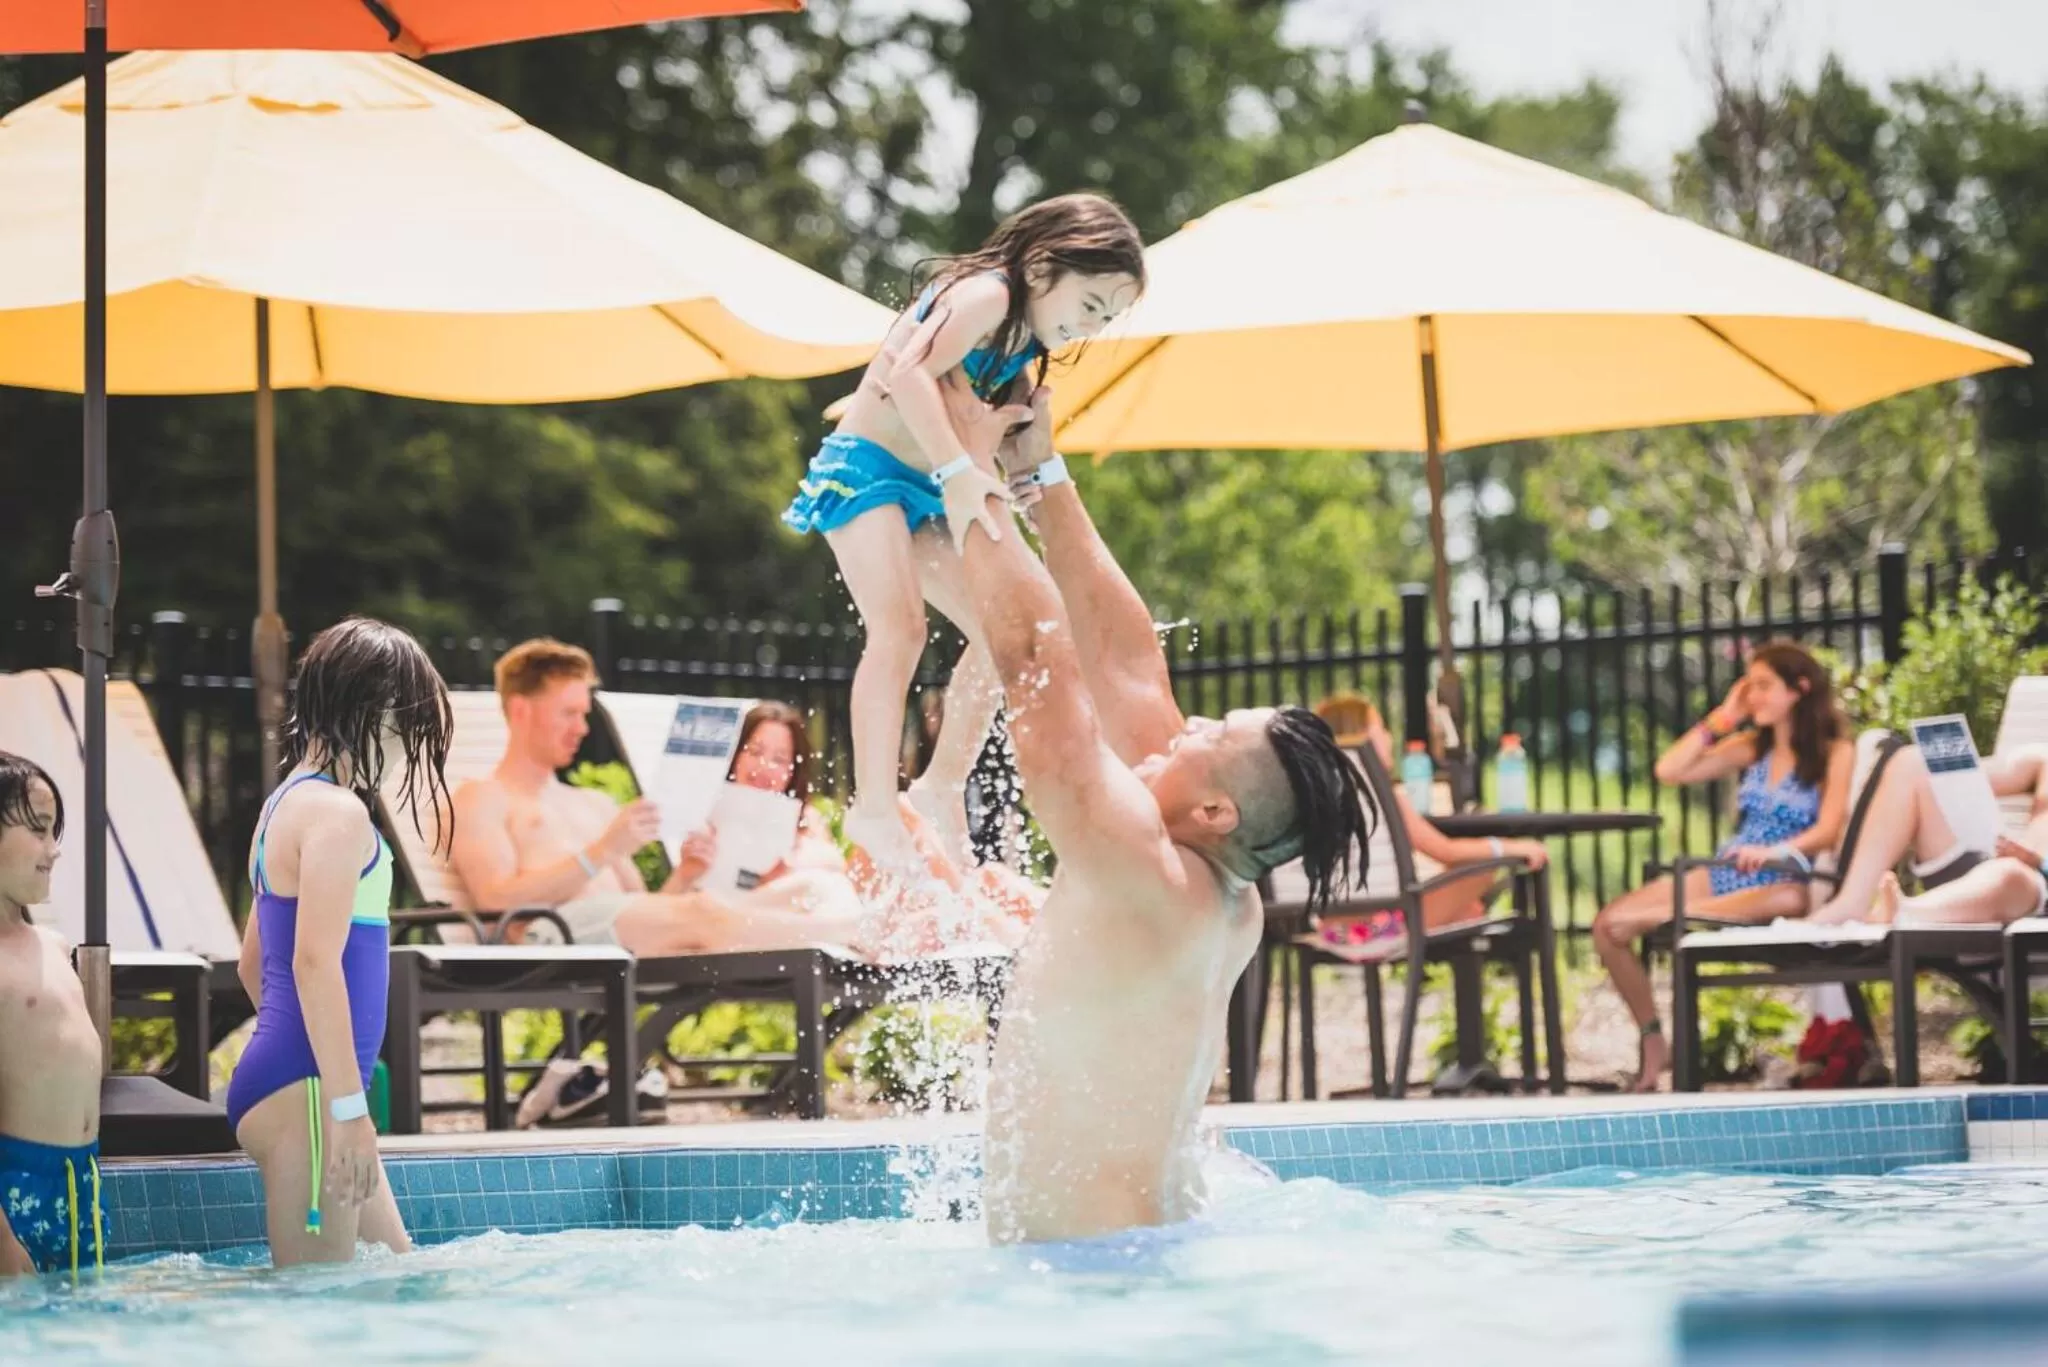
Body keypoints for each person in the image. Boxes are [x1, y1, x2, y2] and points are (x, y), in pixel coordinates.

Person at [918, 359, 1372, 1245]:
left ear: (1216, 813)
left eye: (1206, 734)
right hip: (1151, 1247)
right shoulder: (1216, 893)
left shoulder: (1144, 866)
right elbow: (1129, 667)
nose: (1186, 724)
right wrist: (1043, 472)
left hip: (1086, 1280)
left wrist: (962, 464)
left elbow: (1034, 659)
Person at [782, 192, 1146, 869]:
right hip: (863, 470)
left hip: (925, 485)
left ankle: (941, 784)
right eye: (1091, 305)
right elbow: (905, 370)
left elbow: (998, 443)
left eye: (1108, 317)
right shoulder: (985, 296)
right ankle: (872, 810)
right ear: (1042, 268)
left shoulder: (1023, 343)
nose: (1091, 327)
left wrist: (1021, 450)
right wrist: (955, 468)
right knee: (901, 628)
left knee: (1007, 633)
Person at [224, 618, 451, 1266]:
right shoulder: (338, 812)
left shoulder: (283, 806)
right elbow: (314, 961)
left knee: (402, 1281)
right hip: (316, 1096)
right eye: (410, 725)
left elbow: (254, 962)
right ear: (372, 709)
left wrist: (317, 1069)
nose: (410, 746)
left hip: (309, 1085)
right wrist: (343, 1103)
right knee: (318, 1312)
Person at [449, 641, 867, 957]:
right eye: (568, 713)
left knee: (813, 886)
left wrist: (685, 873)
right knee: (703, 911)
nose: (582, 728)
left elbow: (651, 908)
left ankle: (860, 932)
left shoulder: (593, 805)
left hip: (625, 937)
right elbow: (494, 902)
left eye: (584, 714)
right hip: (556, 938)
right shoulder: (483, 797)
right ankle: (860, 933)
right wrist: (601, 852)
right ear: (521, 711)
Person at [1591, 641, 1856, 1091]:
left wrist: (1777, 852)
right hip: (1729, 868)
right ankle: (1654, 1039)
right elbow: (1670, 770)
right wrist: (1723, 718)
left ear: (1800, 689)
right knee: (1607, 926)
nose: (1754, 696)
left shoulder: (1835, 752)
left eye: (1764, 686)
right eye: (1748, 686)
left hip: (1787, 876)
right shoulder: (1753, 747)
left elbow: (1829, 829)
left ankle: (1677, 917)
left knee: (1778, 897)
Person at [1306, 692, 1547, 948]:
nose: (1389, 737)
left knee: (1469, 910)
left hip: (1330, 931)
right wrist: (1513, 847)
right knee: (1482, 866)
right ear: (1359, 736)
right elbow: (1446, 851)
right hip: (1379, 929)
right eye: (1381, 729)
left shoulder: (1310, 801)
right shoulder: (1384, 797)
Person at [0, 752, 105, 1281]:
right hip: (13, 1201)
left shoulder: (52, 945)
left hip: (79, 1192)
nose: (54, 849)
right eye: (39, 831)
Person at [1804, 740, 2048, 927]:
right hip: (1992, 862)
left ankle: (1904, 911)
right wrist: (1943, 764)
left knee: (2009, 875)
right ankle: (1850, 903)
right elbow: (1979, 775)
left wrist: (2039, 862)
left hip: (2033, 891)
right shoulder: (2042, 758)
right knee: (1914, 761)